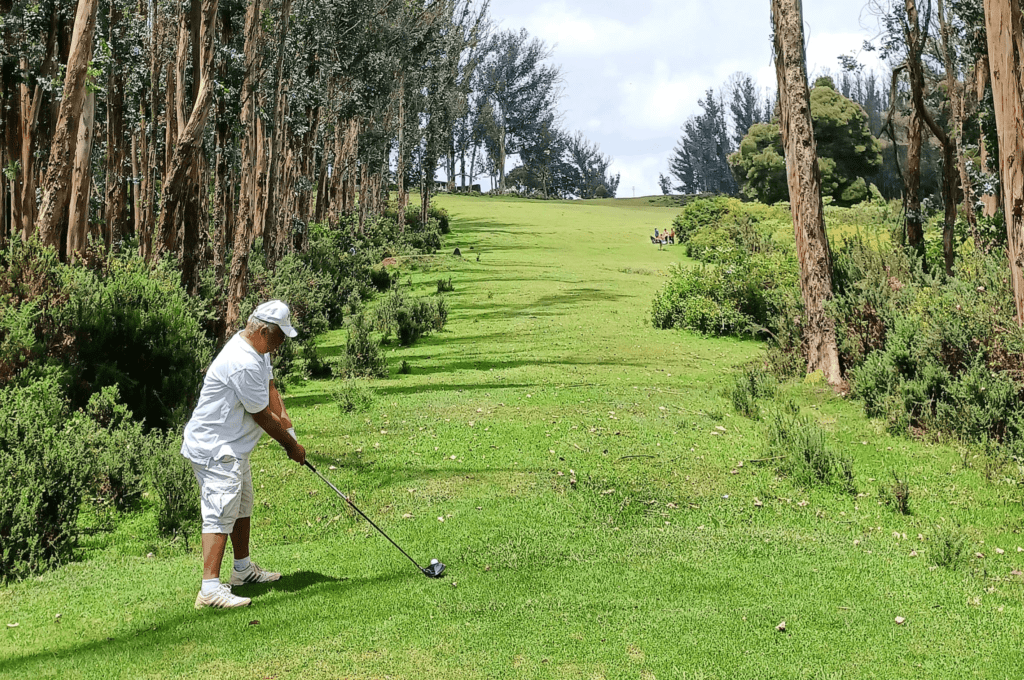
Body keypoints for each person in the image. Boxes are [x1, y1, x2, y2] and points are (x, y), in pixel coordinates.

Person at [181, 300, 307, 609]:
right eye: (279, 337)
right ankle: (209, 588)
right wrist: (291, 447)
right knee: (220, 510)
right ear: (264, 330)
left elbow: (270, 389)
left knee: (241, 503)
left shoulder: (257, 351)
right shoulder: (243, 361)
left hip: (233, 448)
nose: (279, 345)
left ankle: (242, 571)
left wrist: (288, 424)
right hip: (215, 448)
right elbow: (262, 416)